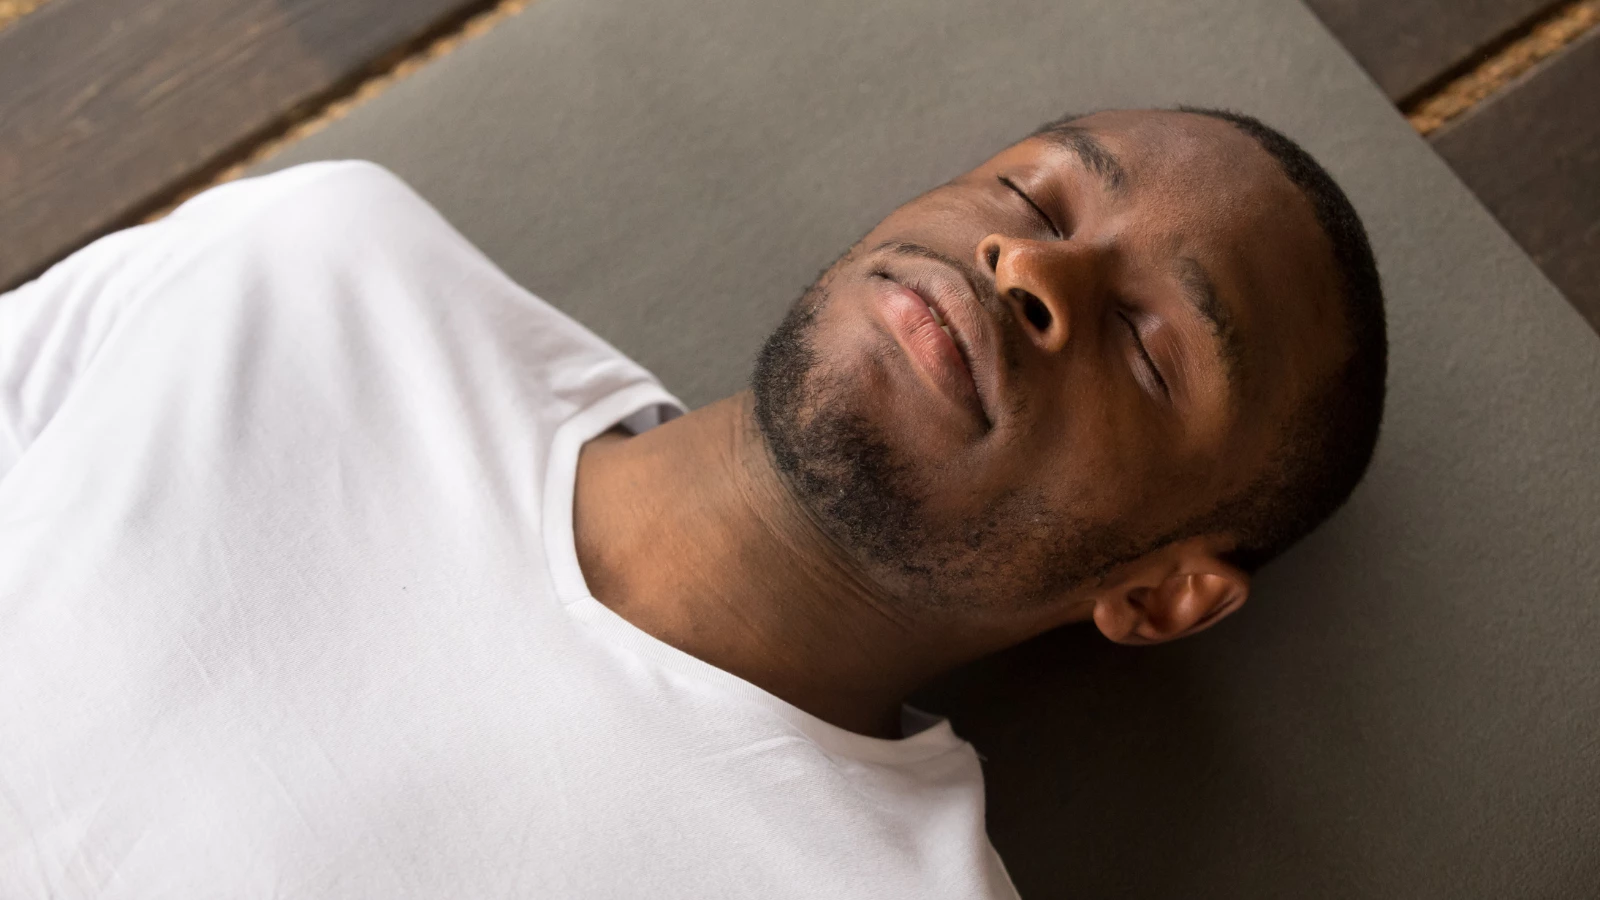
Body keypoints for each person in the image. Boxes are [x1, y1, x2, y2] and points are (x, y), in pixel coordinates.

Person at [0, 107, 1385, 898]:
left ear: (1158, 593)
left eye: (1151, 345)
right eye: (1032, 189)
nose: (1028, 261)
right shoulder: (313, 270)